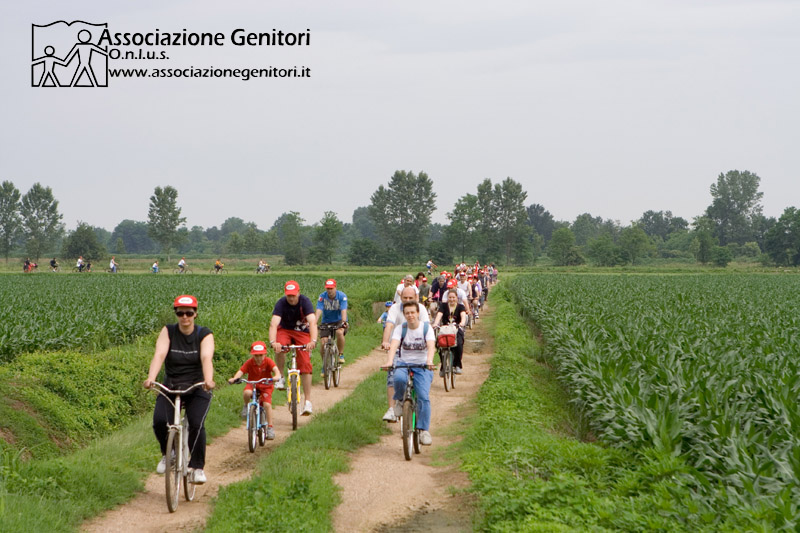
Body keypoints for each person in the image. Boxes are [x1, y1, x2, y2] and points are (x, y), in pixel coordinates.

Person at [143, 295, 215, 484]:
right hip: (172, 384)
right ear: (176, 313)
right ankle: (170, 454)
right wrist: (151, 378)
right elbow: (159, 355)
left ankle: (197, 467)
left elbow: (206, 358)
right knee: (159, 421)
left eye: (189, 313)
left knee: (196, 423)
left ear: (195, 314)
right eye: (180, 313)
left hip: (197, 386)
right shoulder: (168, 331)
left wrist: (208, 380)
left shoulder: (204, 334)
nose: (184, 317)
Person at [383, 301, 436, 445]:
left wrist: (429, 360)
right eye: (407, 313)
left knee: (423, 397)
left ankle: (424, 430)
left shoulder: (426, 328)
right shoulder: (401, 329)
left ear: (418, 313)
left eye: (413, 312)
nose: (410, 315)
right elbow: (394, 346)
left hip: (422, 365)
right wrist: (389, 362)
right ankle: (400, 402)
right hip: (404, 363)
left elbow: (431, 346)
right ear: (404, 315)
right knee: (398, 379)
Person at [380, 286, 430, 422]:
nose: (407, 300)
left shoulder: (421, 309)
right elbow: (389, 325)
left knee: (422, 385)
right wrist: (386, 341)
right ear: (400, 297)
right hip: (399, 348)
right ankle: (392, 408)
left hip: (417, 350)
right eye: (405, 298)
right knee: (393, 376)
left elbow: (426, 329)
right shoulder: (395, 308)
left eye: (410, 298)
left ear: (416, 298)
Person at [269, 280, 318, 415]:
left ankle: (307, 401)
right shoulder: (281, 303)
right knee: (280, 346)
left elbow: (312, 322)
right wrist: (273, 342)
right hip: (285, 330)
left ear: (298, 293)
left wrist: (313, 341)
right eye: (289, 295)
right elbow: (274, 324)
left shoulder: (305, 302)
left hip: (302, 332)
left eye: (293, 295)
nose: (291, 298)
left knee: (305, 364)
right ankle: (280, 376)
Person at [228, 341, 281, 440]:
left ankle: (270, 427)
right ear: (253, 355)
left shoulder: (268, 361)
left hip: (266, 385)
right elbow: (241, 371)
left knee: (267, 404)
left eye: (261, 355)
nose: (258, 358)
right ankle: (246, 406)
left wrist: (276, 376)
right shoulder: (249, 362)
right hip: (252, 384)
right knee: (247, 392)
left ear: (265, 354)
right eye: (256, 356)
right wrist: (234, 378)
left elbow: (276, 370)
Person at [432, 289, 468, 374]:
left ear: (457, 298)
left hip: (457, 328)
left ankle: (457, 365)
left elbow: (463, 316)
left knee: (459, 344)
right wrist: (435, 323)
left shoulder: (460, 307)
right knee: (439, 345)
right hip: (445, 329)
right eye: (450, 297)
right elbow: (439, 315)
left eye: (453, 297)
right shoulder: (443, 306)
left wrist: (462, 323)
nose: (452, 299)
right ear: (447, 298)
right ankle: (443, 366)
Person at [315, 279, 348, 366]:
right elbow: (319, 310)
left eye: (331, 288)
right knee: (323, 343)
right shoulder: (322, 297)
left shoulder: (342, 296)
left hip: (339, 320)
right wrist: (314, 322)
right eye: (328, 288)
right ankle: (325, 365)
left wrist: (344, 322)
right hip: (326, 321)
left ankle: (340, 354)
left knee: (339, 332)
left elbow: (343, 310)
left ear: (335, 287)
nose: (329, 291)